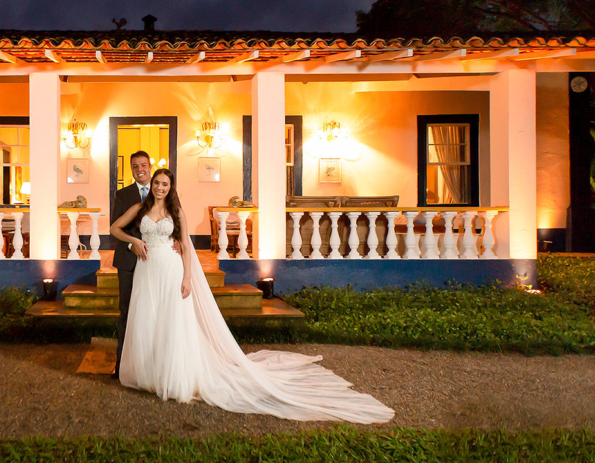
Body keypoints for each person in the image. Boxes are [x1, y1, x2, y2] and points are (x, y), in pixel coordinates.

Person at [109, 169, 395, 424]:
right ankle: (149, 373)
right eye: (157, 183)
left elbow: (184, 244)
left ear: (171, 187)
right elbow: (114, 229)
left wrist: (186, 278)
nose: (159, 187)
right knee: (149, 319)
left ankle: (172, 376)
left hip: (170, 270)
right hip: (148, 271)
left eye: (165, 184)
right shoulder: (139, 207)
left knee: (171, 322)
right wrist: (134, 241)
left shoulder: (177, 212)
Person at [109, 152, 181, 379]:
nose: (139, 169)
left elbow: (177, 223)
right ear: (131, 169)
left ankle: (159, 366)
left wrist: (177, 240)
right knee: (128, 312)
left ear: (150, 167)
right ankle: (124, 366)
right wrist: (132, 245)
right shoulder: (122, 195)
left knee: (160, 314)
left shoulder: (165, 190)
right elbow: (115, 230)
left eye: (143, 165)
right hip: (131, 263)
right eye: (134, 166)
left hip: (162, 264)